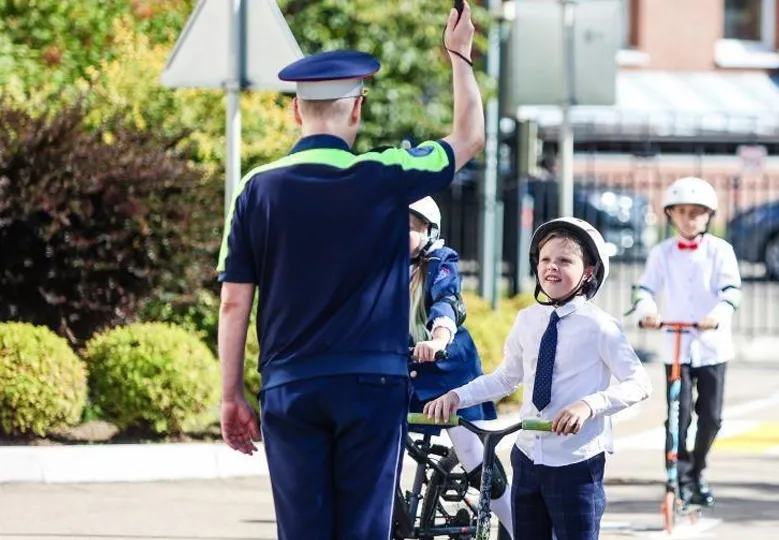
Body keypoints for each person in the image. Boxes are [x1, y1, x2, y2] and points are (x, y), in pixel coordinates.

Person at [214, 3, 485, 539]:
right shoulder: (386, 174)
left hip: (292, 382)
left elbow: (233, 302)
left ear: (297, 112)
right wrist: (459, 58)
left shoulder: (256, 188)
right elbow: (469, 137)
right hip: (372, 383)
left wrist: (231, 396)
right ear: (356, 111)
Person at [423, 217, 653, 540]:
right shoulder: (528, 320)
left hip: (577, 462)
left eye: (564, 260)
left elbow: (640, 383)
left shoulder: (601, 326)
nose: (551, 267)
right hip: (528, 458)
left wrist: (589, 405)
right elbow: (505, 378)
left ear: (588, 271)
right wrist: (457, 397)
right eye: (545, 259)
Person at [631, 176, 743, 508]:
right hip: (676, 344)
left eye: (696, 212)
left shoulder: (721, 251)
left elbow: (732, 292)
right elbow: (645, 290)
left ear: (709, 215)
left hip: (712, 346)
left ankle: (697, 471)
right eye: (681, 211)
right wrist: (647, 311)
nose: (688, 218)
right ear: (670, 215)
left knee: (711, 417)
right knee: (678, 415)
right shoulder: (661, 253)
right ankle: (677, 477)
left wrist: (718, 314)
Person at [405, 195, 513, 534]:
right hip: (397, 372)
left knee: (471, 453)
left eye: (407, 227)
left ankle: (516, 526)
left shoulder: (441, 262)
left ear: (429, 231)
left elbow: (447, 302)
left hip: (446, 369)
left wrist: (438, 339)